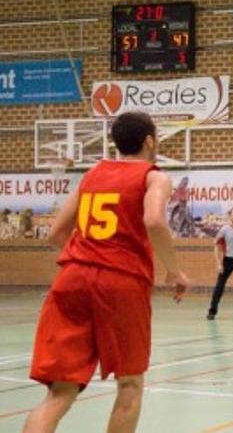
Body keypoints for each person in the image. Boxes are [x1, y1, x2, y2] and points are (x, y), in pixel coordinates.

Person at [23, 111, 190, 433]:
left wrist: (88, 255)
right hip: (121, 281)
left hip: (71, 277)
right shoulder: (154, 177)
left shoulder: (93, 174)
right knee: (129, 384)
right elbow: (154, 220)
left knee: (59, 390)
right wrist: (174, 271)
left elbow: (55, 234)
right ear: (149, 141)